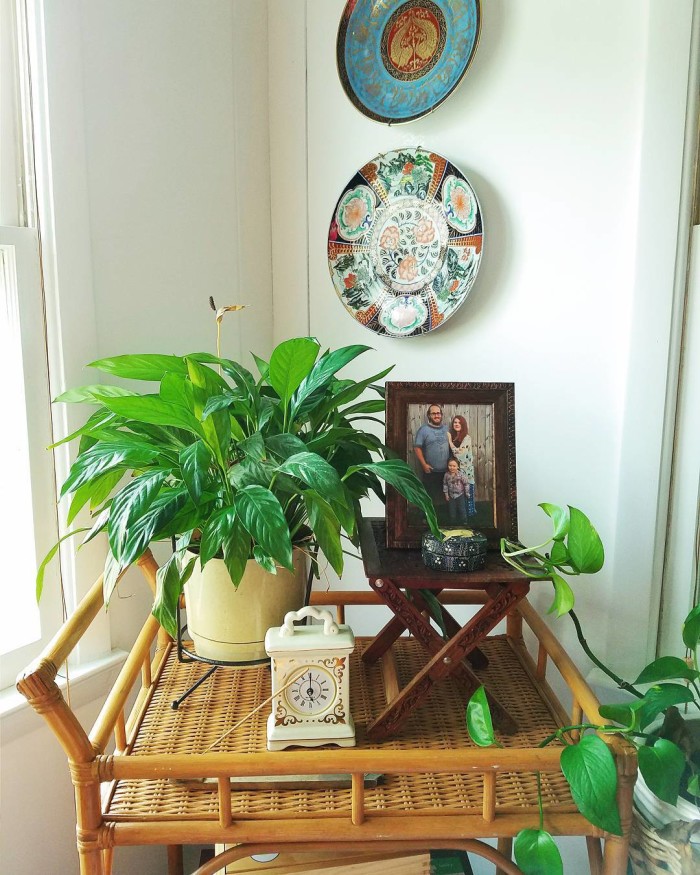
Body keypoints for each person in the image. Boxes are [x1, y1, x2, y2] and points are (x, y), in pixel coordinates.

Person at [413, 403, 450, 521]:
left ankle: (444, 519)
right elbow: (417, 448)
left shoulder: (446, 429)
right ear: (429, 415)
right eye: (433, 413)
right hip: (431, 470)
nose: (436, 415)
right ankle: (426, 518)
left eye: (438, 413)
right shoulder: (423, 430)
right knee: (429, 496)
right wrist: (424, 464)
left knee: (444, 496)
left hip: (446, 471)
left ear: (441, 415)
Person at [447, 414, 476, 516]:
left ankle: (470, 515)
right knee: (457, 495)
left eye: (459, 422)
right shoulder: (454, 437)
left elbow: (460, 454)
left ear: (463, 425)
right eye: (455, 422)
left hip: (466, 472)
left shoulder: (466, 438)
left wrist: (450, 441)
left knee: (468, 494)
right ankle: (458, 513)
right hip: (455, 472)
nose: (457, 424)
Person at [442, 458, 469, 524]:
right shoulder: (446, 475)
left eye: (454, 466)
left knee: (462, 508)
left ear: (458, 466)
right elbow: (445, 484)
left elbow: (466, 484)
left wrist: (467, 493)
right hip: (451, 495)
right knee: (452, 509)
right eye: (450, 465)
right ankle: (452, 520)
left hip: (460, 494)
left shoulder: (461, 475)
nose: (452, 468)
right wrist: (446, 494)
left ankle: (464, 520)